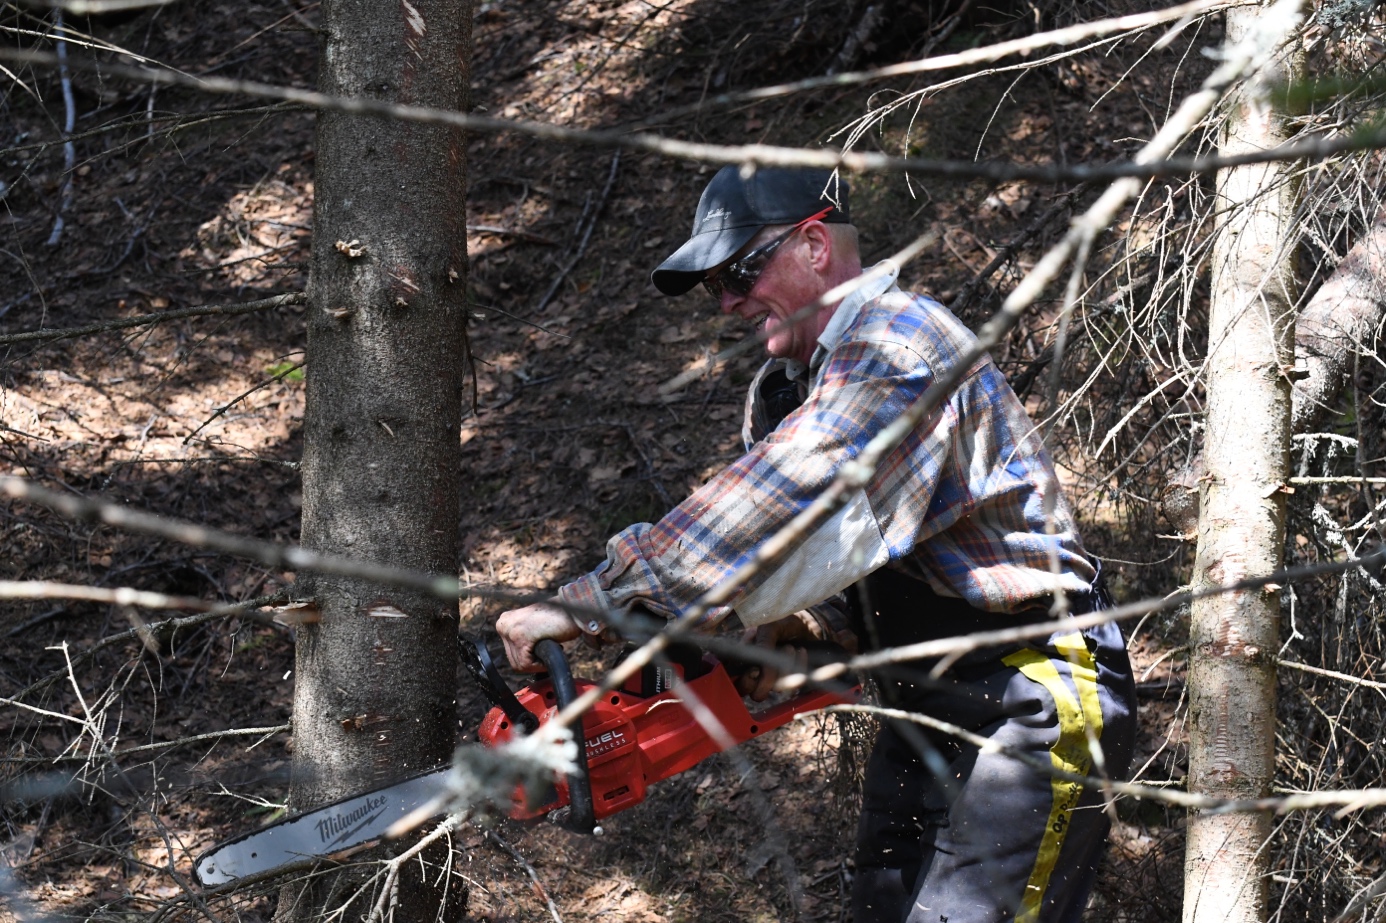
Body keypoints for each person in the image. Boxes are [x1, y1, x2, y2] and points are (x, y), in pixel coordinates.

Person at [496, 166, 1137, 923]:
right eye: (714, 289)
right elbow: (855, 545)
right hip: (925, 705)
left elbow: (793, 486)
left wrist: (600, 597)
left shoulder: (902, 344)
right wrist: (803, 630)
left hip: (1032, 692)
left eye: (738, 272)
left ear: (813, 245)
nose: (730, 301)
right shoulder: (786, 387)